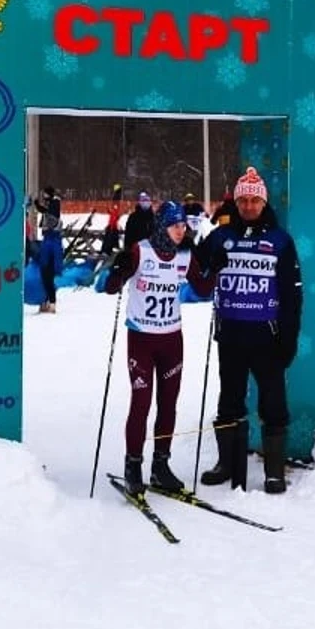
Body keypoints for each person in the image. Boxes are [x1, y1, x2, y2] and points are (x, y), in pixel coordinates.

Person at [193, 167, 303, 494]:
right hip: (231, 336)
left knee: (273, 404)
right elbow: (196, 270)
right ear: (237, 202)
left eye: (255, 200)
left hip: (267, 338)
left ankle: (273, 471)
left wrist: (288, 337)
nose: (249, 206)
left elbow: (293, 294)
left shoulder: (280, 240)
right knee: (230, 401)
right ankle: (227, 462)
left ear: (263, 202)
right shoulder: (220, 236)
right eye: (243, 200)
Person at [101, 201, 212, 494]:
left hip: (171, 340)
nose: (181, 230)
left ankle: (160, 466)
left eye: (183, 225)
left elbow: (202, 289)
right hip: (141, 339)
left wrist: (217, 267)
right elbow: (111, 288)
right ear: (162, 226)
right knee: (141, 402)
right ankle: (133, 465)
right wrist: (118, 269)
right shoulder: (141, 250)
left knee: (168, 403)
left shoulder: (185, 255)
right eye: (175, 225)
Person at [33, 186, 63, 314]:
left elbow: (50, 213)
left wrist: (42, 205)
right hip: (48, 247)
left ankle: (51, 302)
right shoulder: (51, 206)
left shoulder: (55, 205)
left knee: (47, 277)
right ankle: (46, 301)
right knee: (45, 277)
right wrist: (36, 204)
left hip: (50, 249)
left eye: (46, 195)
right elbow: (45, 210)